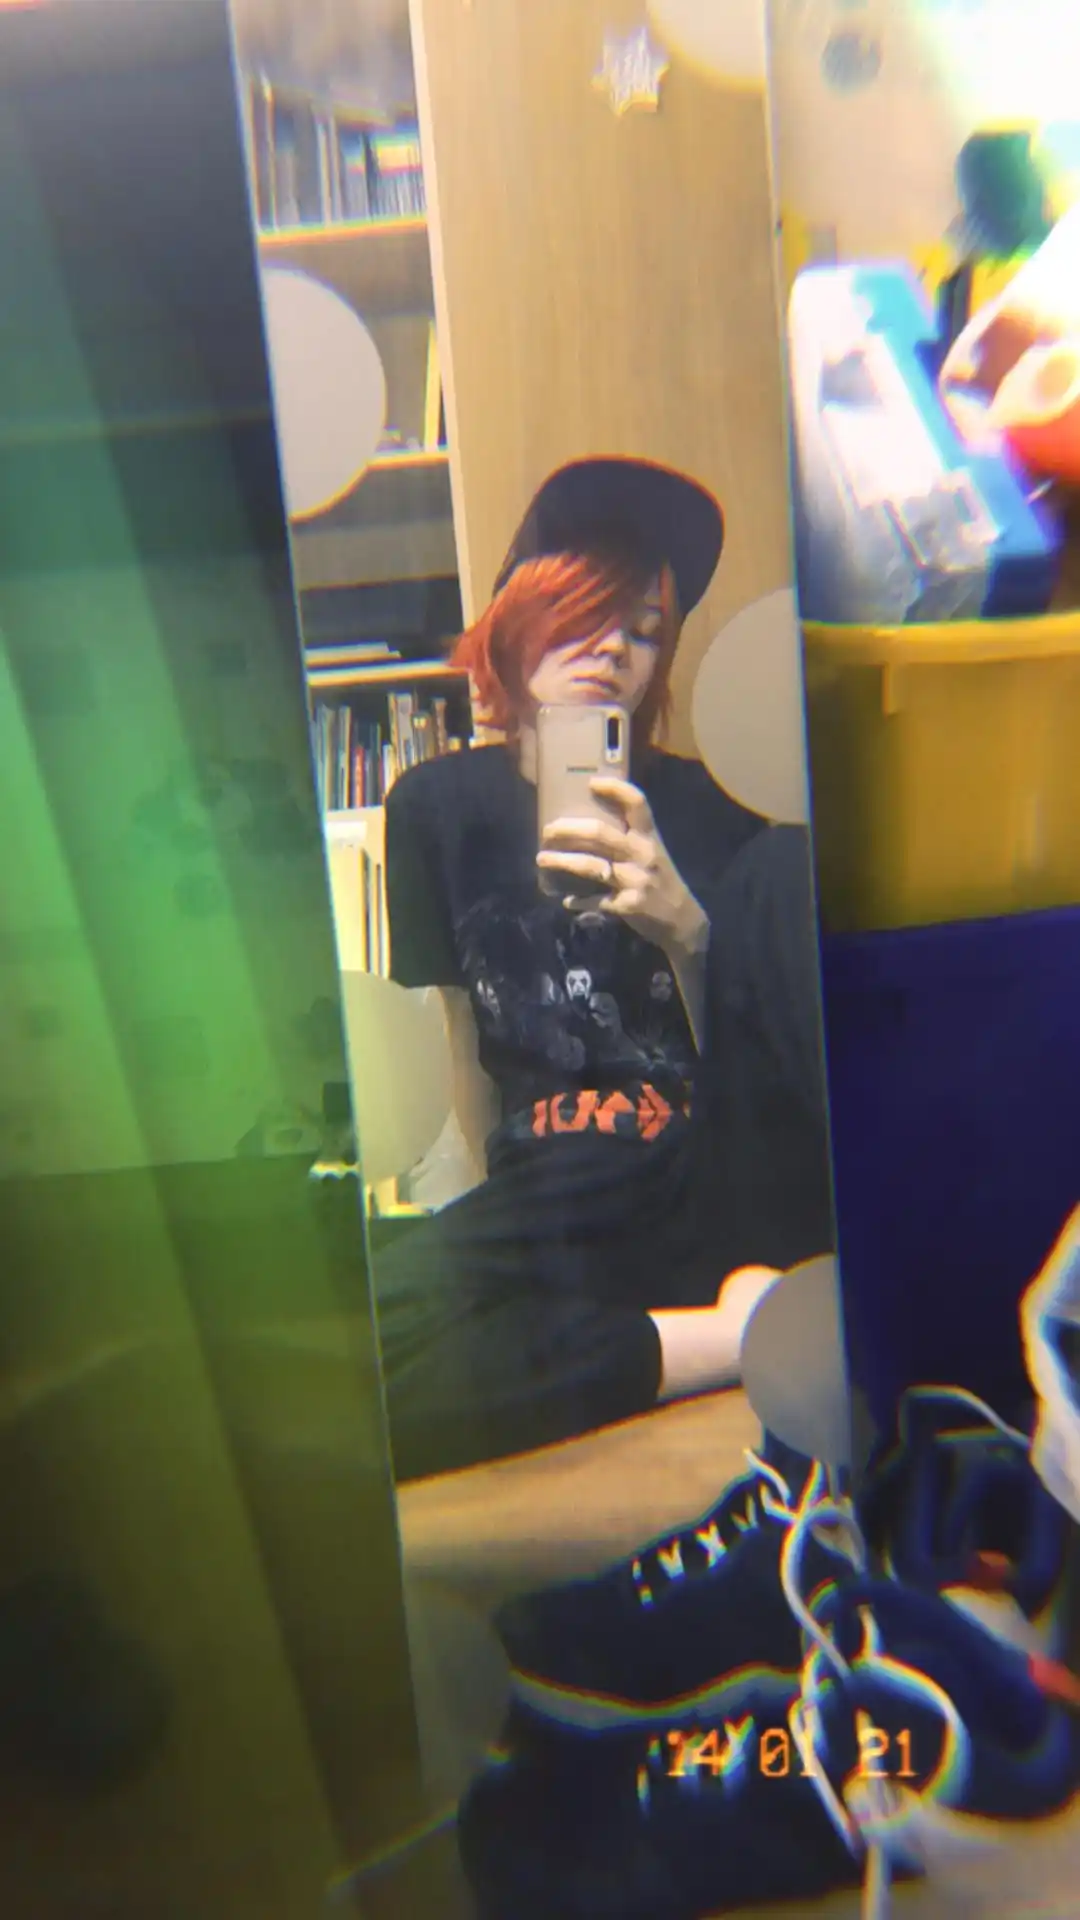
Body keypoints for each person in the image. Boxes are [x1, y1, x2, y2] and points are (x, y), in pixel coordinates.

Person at [375, 457, 834, 1482]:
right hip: (554, 1191)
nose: (614, 648)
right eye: (584, 614)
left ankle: (647, 1332)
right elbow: (460, 1050)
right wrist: (474, 1238)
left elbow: (764, 1067)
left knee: (791, 865)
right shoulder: (434, 811)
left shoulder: (722, 813)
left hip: (708, 1171)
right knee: (357, 1351)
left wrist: (686, 932)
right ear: (517, 620)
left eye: (645, 629)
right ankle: (724, 1338)